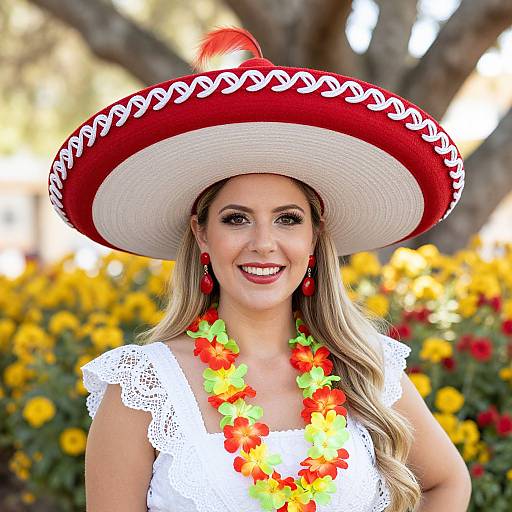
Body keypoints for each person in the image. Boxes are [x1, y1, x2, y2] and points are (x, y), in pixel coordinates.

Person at [47, 26, 471, 512]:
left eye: (288, 219)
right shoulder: (142, 388)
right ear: (203, 234)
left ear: (314, 237)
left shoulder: (364, 367)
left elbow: (447, 484)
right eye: (236, 219)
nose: (264, 244)